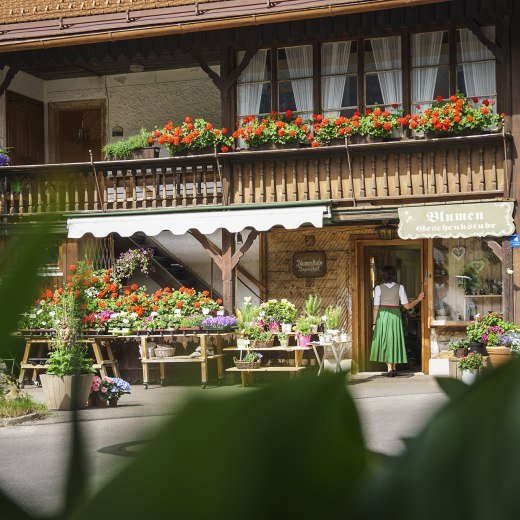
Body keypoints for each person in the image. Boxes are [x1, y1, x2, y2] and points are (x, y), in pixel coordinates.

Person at [370, 265, 425, 377]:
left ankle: (390, 368)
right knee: (394, 340)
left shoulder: (378, 288)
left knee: (384, 341)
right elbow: (407, 306)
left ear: (383, 275)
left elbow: (376, 307)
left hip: (383, 316)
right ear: (394, 275)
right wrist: (418, 299)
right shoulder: (400, 287)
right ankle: (393, 368)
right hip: (395, 315)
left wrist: (374, 323)